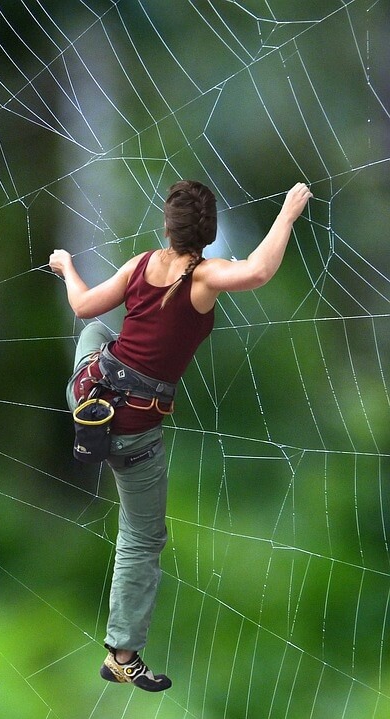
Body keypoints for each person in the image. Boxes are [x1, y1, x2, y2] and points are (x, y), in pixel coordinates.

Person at [48, 180, 313, 691]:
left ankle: (89, 419)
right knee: (142, 537)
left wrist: (66, 268)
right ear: (208, 234)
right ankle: (123, 654)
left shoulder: (141, 264)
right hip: (133, 432)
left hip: (88, 396)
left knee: (96, 335)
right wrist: (287, 212)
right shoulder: (204, 277)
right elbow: (258, 269)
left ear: (168, 227)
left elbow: (83, 307)